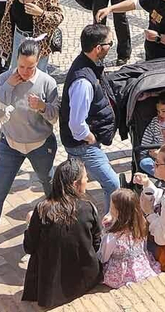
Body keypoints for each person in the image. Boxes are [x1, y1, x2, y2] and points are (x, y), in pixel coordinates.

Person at [0, 40, 60, 260]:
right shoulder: (4, 79)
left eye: (30, 67)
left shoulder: (47, 83)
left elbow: (56, 115)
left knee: (51, 190)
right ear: (16, 61)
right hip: (10, 144)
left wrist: (42, 107)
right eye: (21, 66)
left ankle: (59, 234)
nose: (25, 72)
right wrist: (9, 85)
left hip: (40, 146)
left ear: (38, 62)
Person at [22, 158, 102, 309]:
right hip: (85, 279)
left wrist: (28, 224)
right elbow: (97, 244)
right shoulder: (88, 207)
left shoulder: (42, 210)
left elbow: (29, 247)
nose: (87, 179)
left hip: (50, 289)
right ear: (75, 184)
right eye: (85, 177)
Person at [61, 24, 122, 214]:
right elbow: (76, 124)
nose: (111, 46)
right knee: (113, 185)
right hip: (83, 145)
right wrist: (91, 138)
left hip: (80, 144)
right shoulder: (83, 82)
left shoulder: (86, 65)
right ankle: (108, 226)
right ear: (98, 48)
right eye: (110, 43)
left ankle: (74, 222)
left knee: (76, 186)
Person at [98, 187, 161, 289]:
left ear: (117, 211)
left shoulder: (112, 237)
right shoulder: (142, 224)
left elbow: (103, 257)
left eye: (112, 207)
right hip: (141, 265)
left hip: (120, 273)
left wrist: (104, 228)